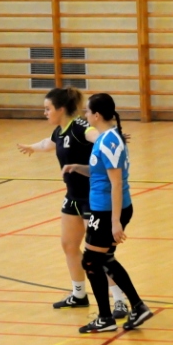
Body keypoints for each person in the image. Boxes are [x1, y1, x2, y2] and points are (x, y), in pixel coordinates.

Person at [16, 87, 130, 317]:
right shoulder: (61, 131)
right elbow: (48, 143)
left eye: (48, 109)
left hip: (92, 199)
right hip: (73, 198)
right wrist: (32, 147)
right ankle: (79, 295)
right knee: (69, 245)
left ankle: (119, 301)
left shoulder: (81, 127)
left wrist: (114, 140)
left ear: (60, 109)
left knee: (99, 254)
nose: (45, 113)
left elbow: (97, 137)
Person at [66, 93, 152, 333]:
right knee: (104, 259)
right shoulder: (106, 138)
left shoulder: (108, 141)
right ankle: (138, 307)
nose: (85, 115)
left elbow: (116, 183)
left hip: (107, 210)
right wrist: (78, 168)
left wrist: (115, 222)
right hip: (104, 208)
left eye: (87, 111)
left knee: (91, 261)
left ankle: (106, 317)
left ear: (96, 115)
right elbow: (101, 172)